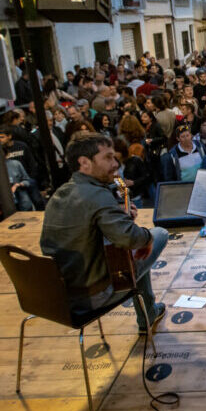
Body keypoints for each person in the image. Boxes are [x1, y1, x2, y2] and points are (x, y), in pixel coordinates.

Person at [40, 133, 168, 334]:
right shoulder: (98, 194)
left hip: (61, 296)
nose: (115, 163)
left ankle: (148, 313)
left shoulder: (60, 193)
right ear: (84, 162)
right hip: (93, 295)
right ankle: (148, 314)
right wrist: (147, 239)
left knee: (134, 256)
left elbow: (77, 234)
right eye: (108, 157)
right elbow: (131, 238)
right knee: (158, 234)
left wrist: (118, 218)